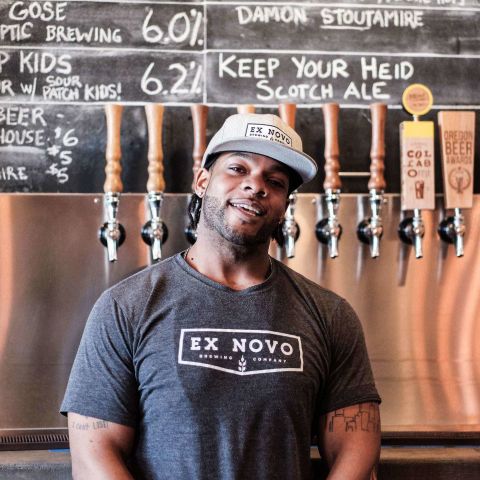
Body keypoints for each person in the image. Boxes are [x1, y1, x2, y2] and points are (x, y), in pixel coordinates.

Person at [61, 113, 381, 480]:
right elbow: (95, 458)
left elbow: (356, 451)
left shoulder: (330, 315)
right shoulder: (125, 307)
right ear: (202, 181)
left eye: (274, 181)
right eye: (237, 168)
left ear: (285, 205)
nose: (255, 186)